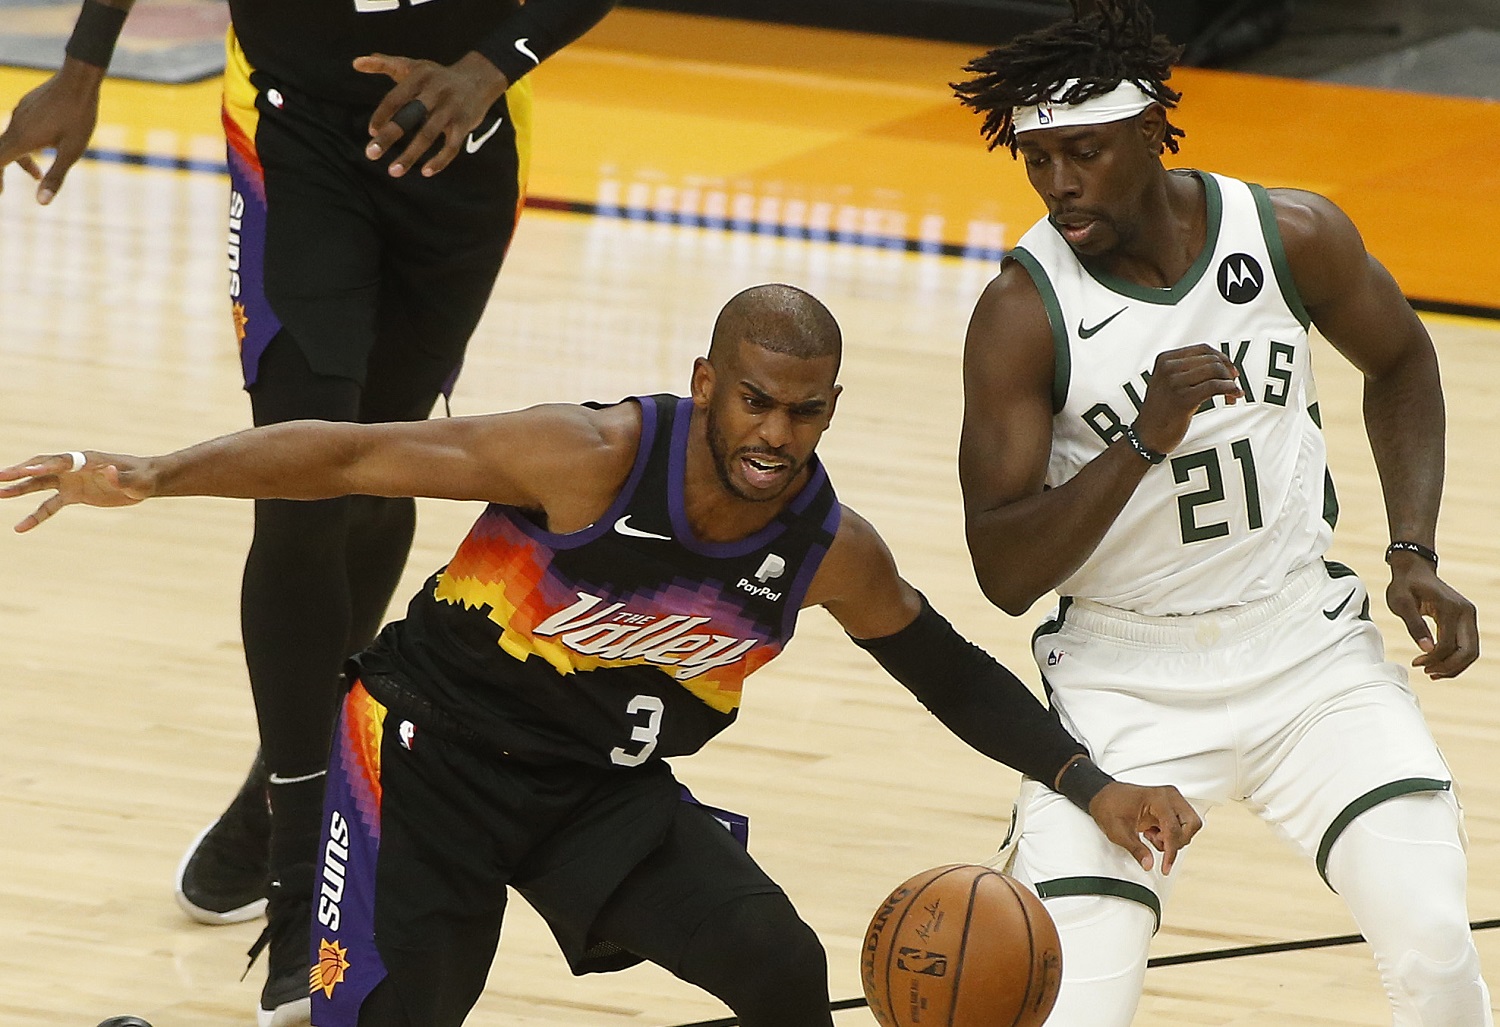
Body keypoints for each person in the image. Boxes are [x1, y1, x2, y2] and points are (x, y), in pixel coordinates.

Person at [1, 283, 1201, 1027]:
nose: (777, 436)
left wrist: (1090, 784)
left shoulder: (826, 545)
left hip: (596, 795)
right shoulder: (586, 456)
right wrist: (154, 474)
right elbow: (350, 454)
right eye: (755, 403)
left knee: (782, 971)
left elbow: (941, 664)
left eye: (805, 411)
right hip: (420, 766)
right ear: (707, 387)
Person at [0, 0, 615, 1022]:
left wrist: (491, 63)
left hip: (456, 137)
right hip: (291, 136)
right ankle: (302, 882)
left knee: (377, 462)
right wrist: (82, 64)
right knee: (297, 486)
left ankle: (285, 777)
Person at [952, 2, 1486, 1024]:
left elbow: (1405, 359)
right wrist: (1145, 436)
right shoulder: (1023, 314)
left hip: (1303, 651)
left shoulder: (1290, 235)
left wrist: (1413, 545)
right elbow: (1002, 570)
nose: (1059, 184)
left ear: (1153, 132)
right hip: (1123, 683)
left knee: (1431, 942)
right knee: (1072, 1010)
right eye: (1036, 159)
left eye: (1085, 153)